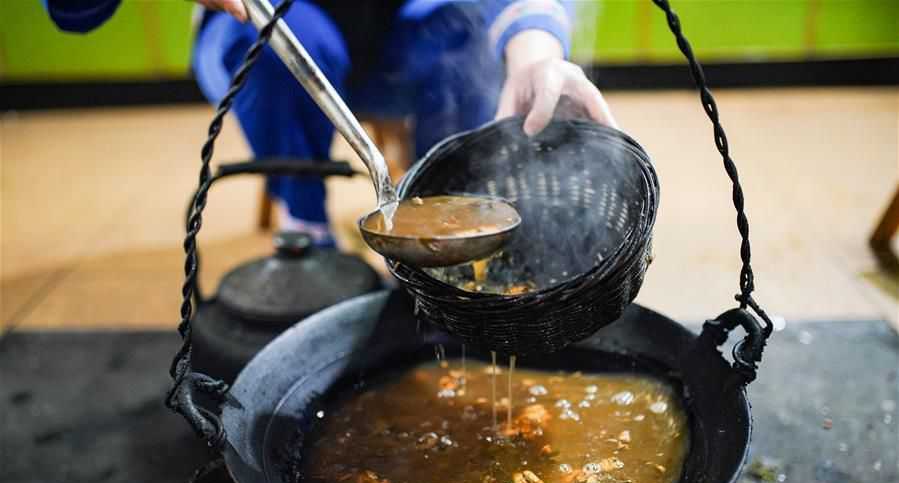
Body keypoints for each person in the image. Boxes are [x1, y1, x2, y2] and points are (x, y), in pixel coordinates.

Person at [45, 0, 616, 245]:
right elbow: (71, 12)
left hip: (402, 33)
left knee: (459, 28)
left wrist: (536, 53)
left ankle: (444, 227)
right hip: (275, 28)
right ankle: (308, 230)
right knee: (272, 52)